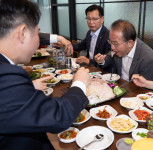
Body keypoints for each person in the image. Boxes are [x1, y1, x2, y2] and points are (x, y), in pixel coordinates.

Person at [0, 0, 90, 149]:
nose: (38, 43)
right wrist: (79, 84)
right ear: (22, 33)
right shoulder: (6, 77)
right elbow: (58, 116)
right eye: (37, 33)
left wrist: (26, 88)